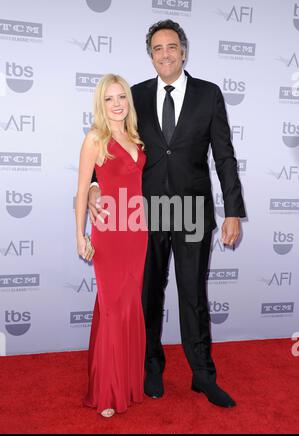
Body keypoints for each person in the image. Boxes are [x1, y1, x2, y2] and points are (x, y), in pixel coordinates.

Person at [89, 20, 246, 408]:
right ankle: (151, 368)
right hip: (145, 212)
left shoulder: (208, 95)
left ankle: (202, 375)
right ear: (150, 55)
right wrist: (94, 183)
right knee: (149, 294)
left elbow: (224, 156)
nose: (165, 54)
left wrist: (233, 211)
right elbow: (109, 139)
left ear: (184, 51)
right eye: (157, 48)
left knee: (193, 295)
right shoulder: (135, 95)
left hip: (193, 210)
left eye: (172, 47)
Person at [75, 74, 148, 417]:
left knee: (129, 306)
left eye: (121, 98)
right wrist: (80, 235)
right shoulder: (95, 139)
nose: (117, 104)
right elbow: (82, 190)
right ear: (100, 104)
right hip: (108, 233)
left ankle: (129, 384)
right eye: (109, 99)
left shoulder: (136, 137)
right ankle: (107, 391)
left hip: (136, 231)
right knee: (111, 308)